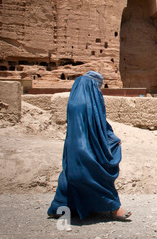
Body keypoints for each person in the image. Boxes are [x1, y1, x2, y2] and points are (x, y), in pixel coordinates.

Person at [47, 71, 131, 221]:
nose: (99, 89)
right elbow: (99, 125)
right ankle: (114, 208)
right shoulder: (90, 101)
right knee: (94, 173)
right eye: (98, 86)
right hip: (88, 145)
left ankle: (60, 207)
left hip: (72, 145)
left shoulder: (74, 99)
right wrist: (112, 139)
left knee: (70, 174)